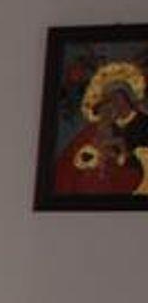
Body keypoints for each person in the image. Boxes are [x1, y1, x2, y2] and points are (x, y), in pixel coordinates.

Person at [54, 59, 148, 199]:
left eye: (118, 97)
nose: (115, 103)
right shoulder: (108, 126)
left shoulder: (143, 122)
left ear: (128, 97)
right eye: (110, 99)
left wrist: (124, 152)